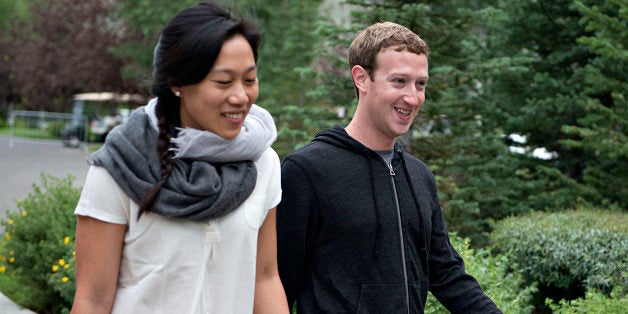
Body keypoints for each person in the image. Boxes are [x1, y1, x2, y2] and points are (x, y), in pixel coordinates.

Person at [71, 2, 288, 313]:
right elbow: (92, 300)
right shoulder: (121, 167)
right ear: (177, 84)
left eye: (249, 80)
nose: (241, 96)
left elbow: (264, 280)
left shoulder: (262, 162)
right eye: (223, 82)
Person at [277, 22, 501, 313]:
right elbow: (276, 284)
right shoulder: (306, 172)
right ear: (361, 78)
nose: (412, 97)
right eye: (399, 81)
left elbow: (446, 273)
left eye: (420, 84)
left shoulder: (420, 176)